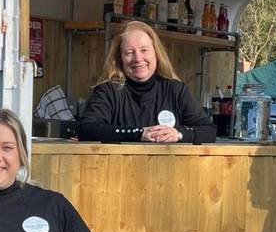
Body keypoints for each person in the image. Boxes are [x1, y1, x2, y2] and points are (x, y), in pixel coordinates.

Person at [78, 20, 216, 143]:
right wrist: (139, 133)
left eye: (144, 50)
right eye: (129, 53)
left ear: (156, 53)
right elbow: (87, 129)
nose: (138, 58)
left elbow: (208, 131)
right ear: (120, 58)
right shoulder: (108, 91)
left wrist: (178, 134)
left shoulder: (175, 90)